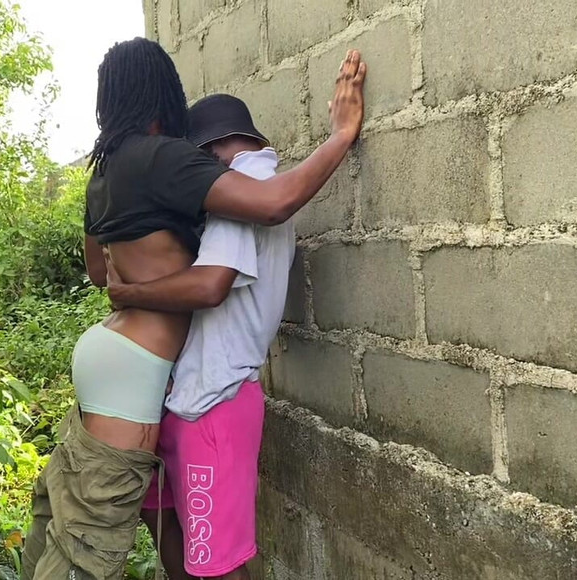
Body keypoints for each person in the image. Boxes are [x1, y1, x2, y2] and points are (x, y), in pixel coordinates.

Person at [21, 37, 366, 580]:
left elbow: (98, 272)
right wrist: (342, 135)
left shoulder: (102, 172)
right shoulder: (162, 157)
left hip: (112, 354)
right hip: (140, 363)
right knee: (91, 535)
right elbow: (272, 204)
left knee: (84, 514)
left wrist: (136, 278)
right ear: (163, 94)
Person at [107, 93, 292, 580]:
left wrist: (129, 292)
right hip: (192, 398)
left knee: (217, 565)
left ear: (210, 153)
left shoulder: (243, 190)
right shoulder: (251, 190)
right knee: (178, 536)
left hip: (213, 404)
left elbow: (211, 287)